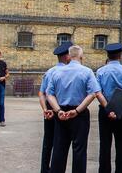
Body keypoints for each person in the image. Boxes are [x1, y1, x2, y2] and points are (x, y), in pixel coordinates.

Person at [46, 45, 103, 173]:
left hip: (61, 113)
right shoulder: (87, 71)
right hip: (79, 114)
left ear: (68, 57)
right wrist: (77, 110)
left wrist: (58, 110)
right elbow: (93, 93)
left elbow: (49, 94)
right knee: (79, 150)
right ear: (81, 57)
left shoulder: (56, 72)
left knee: (59, 149)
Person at [96, 42, 122, 173]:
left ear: (107, 55)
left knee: (105, 144)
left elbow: (98, 92)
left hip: (104, 110)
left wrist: (108, 108)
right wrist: (120, 107)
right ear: (120, 55)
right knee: (121, 143)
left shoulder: (101, 72)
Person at [38, 42, 71, 173]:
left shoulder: (49, 72)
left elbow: (41, 93)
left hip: (49, 107)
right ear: (67, 56)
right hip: (61, 106)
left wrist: (45, 109)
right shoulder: (67, 72)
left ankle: (44, 169)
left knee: (48, 141)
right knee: (60, 141)